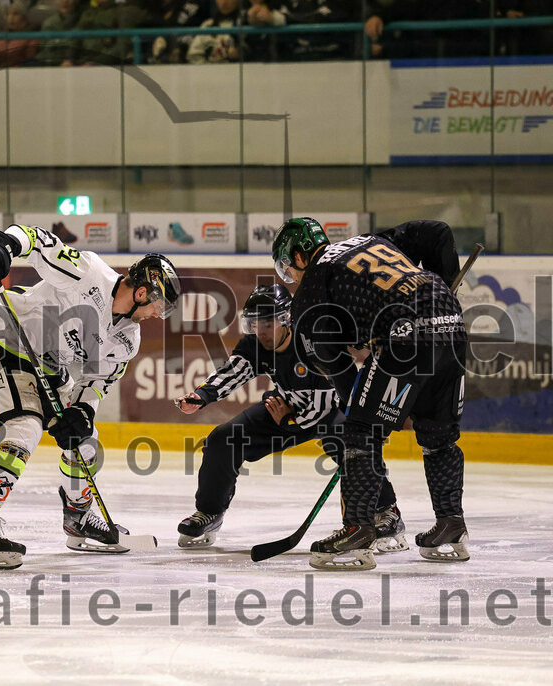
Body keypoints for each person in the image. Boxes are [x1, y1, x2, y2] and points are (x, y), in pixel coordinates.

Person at [0, 224, 181, 570]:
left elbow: (97, 382)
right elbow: (41, 242)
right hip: (5, 338)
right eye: (157, 305)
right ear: (141, 293)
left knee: (86, 441)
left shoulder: (128, 340)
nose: (155, 315)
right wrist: (7, 245)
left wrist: (82, 412)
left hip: (46, 366)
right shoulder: (89, 273)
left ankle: (78, 516)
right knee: (25, 428)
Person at [272, 218, 468, 570]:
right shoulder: (369, 240)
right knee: (439, 436)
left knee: (359, 433)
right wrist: (442, 285)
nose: (291, 280)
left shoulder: (311, 288)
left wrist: (361, 418)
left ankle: (359, 530)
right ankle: (451, 525)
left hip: (405, 333)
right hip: (450, 319)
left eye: (288, 270)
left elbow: (340, 373)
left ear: (301, 257)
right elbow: (438, 231)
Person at [174, 284, 405, 551]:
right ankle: (209, 512)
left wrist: (289, 422)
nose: (259, 332)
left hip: (332, 412)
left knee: (354, 447)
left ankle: (387, 512)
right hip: (287, 407)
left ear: (285, 319)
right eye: (253, 325)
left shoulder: (314, 343)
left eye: (266, 324)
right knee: (223, 439)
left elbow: (322, 407)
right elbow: (234, 371)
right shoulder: (257, 344)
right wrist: (203, 395)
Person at [0, 3, 38, 68]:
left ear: (24, 17)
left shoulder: (31, 37)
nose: (10, 18)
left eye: (15, 14)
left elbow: (30, 61)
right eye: (7, 14)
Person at [35, 0, 81, 66]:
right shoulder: (49, 23)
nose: (65, 1)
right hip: (50, 63)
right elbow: (47, 49)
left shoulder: (82, 21)